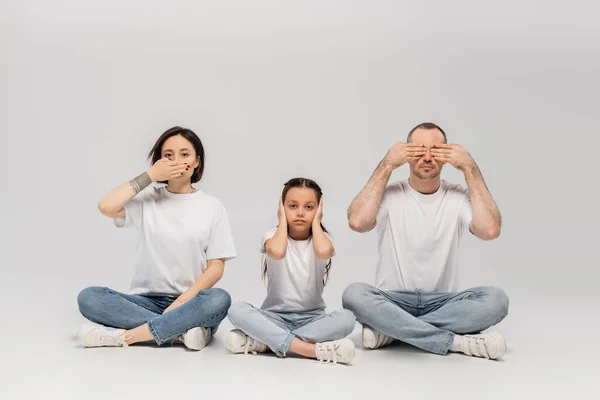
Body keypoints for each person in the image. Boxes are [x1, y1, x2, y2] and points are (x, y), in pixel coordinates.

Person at [342, 122, 509, 360]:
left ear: (446, 156)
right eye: (419, 150)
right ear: (406, 154)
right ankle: (456, 342)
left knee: (497, 300)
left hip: (443, 302)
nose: (427, 157)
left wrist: (469, 166)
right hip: (392, 299)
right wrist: (388, 164)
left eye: (436, 150)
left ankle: (391, 331)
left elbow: (490, 230)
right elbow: (357, 222)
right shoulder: (389, 195)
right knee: (353, 295)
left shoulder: (457, 197)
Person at [76, 126, 236, 351]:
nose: (176, 161)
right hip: (144, 300)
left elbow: (215, 268)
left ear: (197, 161)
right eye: (168, 156)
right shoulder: (147, 200)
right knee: (89, 297)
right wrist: (149, 176)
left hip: (191, 301)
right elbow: (106, 206)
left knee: (219, 299)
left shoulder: (212, 207)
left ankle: (129, 337)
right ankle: (181, 333)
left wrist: (181, 304)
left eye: (184, 154)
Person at [226, 178, 356, 364]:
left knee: (347, 318)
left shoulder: (322, 238)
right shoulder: (273, 235)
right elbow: (277, 252)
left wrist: (317, 222)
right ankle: (311, 350)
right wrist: (281, 220)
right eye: (293, 206)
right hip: (273, 317)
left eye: (309, 207)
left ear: (319, 209)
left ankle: (265, 342)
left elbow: (323, 252)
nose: (300, 213)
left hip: (312, 319)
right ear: (282, 206)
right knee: (236, 310)